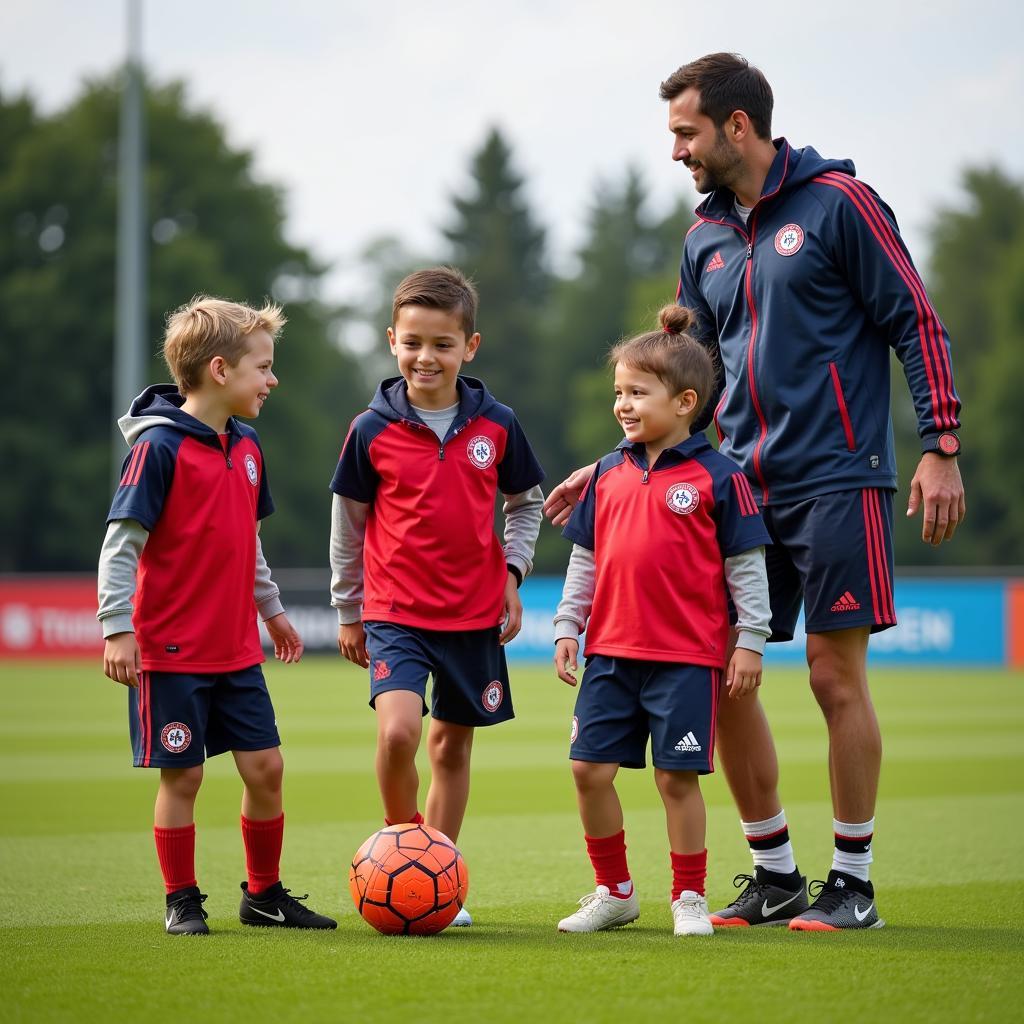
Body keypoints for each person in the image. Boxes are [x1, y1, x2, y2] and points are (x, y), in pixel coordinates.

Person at [545, 53, 964, 931]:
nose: (676, 152)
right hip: (734, 491)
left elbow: (914, 318)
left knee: (830, 674)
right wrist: (616, 460)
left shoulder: (841, 206)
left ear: (738, 126)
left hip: (838, 478)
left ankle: (853, 883)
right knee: (722, 679)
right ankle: (774, 872)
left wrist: (941, 445)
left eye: (685, 133)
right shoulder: (703, 237)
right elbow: (676, 379)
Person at [97, 296, 336, 936]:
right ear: (222, 370)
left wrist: (273, 610)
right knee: (186, 776)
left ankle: (262, 896)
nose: (272, 379)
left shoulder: (249, 445)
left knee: (267, 768)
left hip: (236, 650)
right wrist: (117, 628)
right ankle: (182, 899)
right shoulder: (158, 451)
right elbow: (121, 544)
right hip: (171, 651)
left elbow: (245, 540)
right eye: (264, 366)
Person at [330, 266, 545, 928]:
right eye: (414, 342)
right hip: (394, 612)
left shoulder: (498, 425)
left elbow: (525, 504)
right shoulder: (370, 428)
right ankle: (405, 853)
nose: (427, 357)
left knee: (451, 749)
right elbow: (348, 524)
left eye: (442, 344)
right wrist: (348, 609)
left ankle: (440, 881)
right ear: (393, 340)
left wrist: (512, 575)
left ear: (469, 347)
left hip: (474, 615)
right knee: (399, 733)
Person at [552, 305, 772, 937]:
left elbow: (746, 569)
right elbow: (585, 561)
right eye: (618, 392)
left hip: (685, 660)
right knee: (587, 771)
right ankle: (615, 891)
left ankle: (689, 897)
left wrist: (750, 642)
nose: (623, 404)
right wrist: (570, 626)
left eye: (637, 393)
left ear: (685, 403)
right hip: (611, 655)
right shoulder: (607, 474)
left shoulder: (719, 477)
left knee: (676, 779)